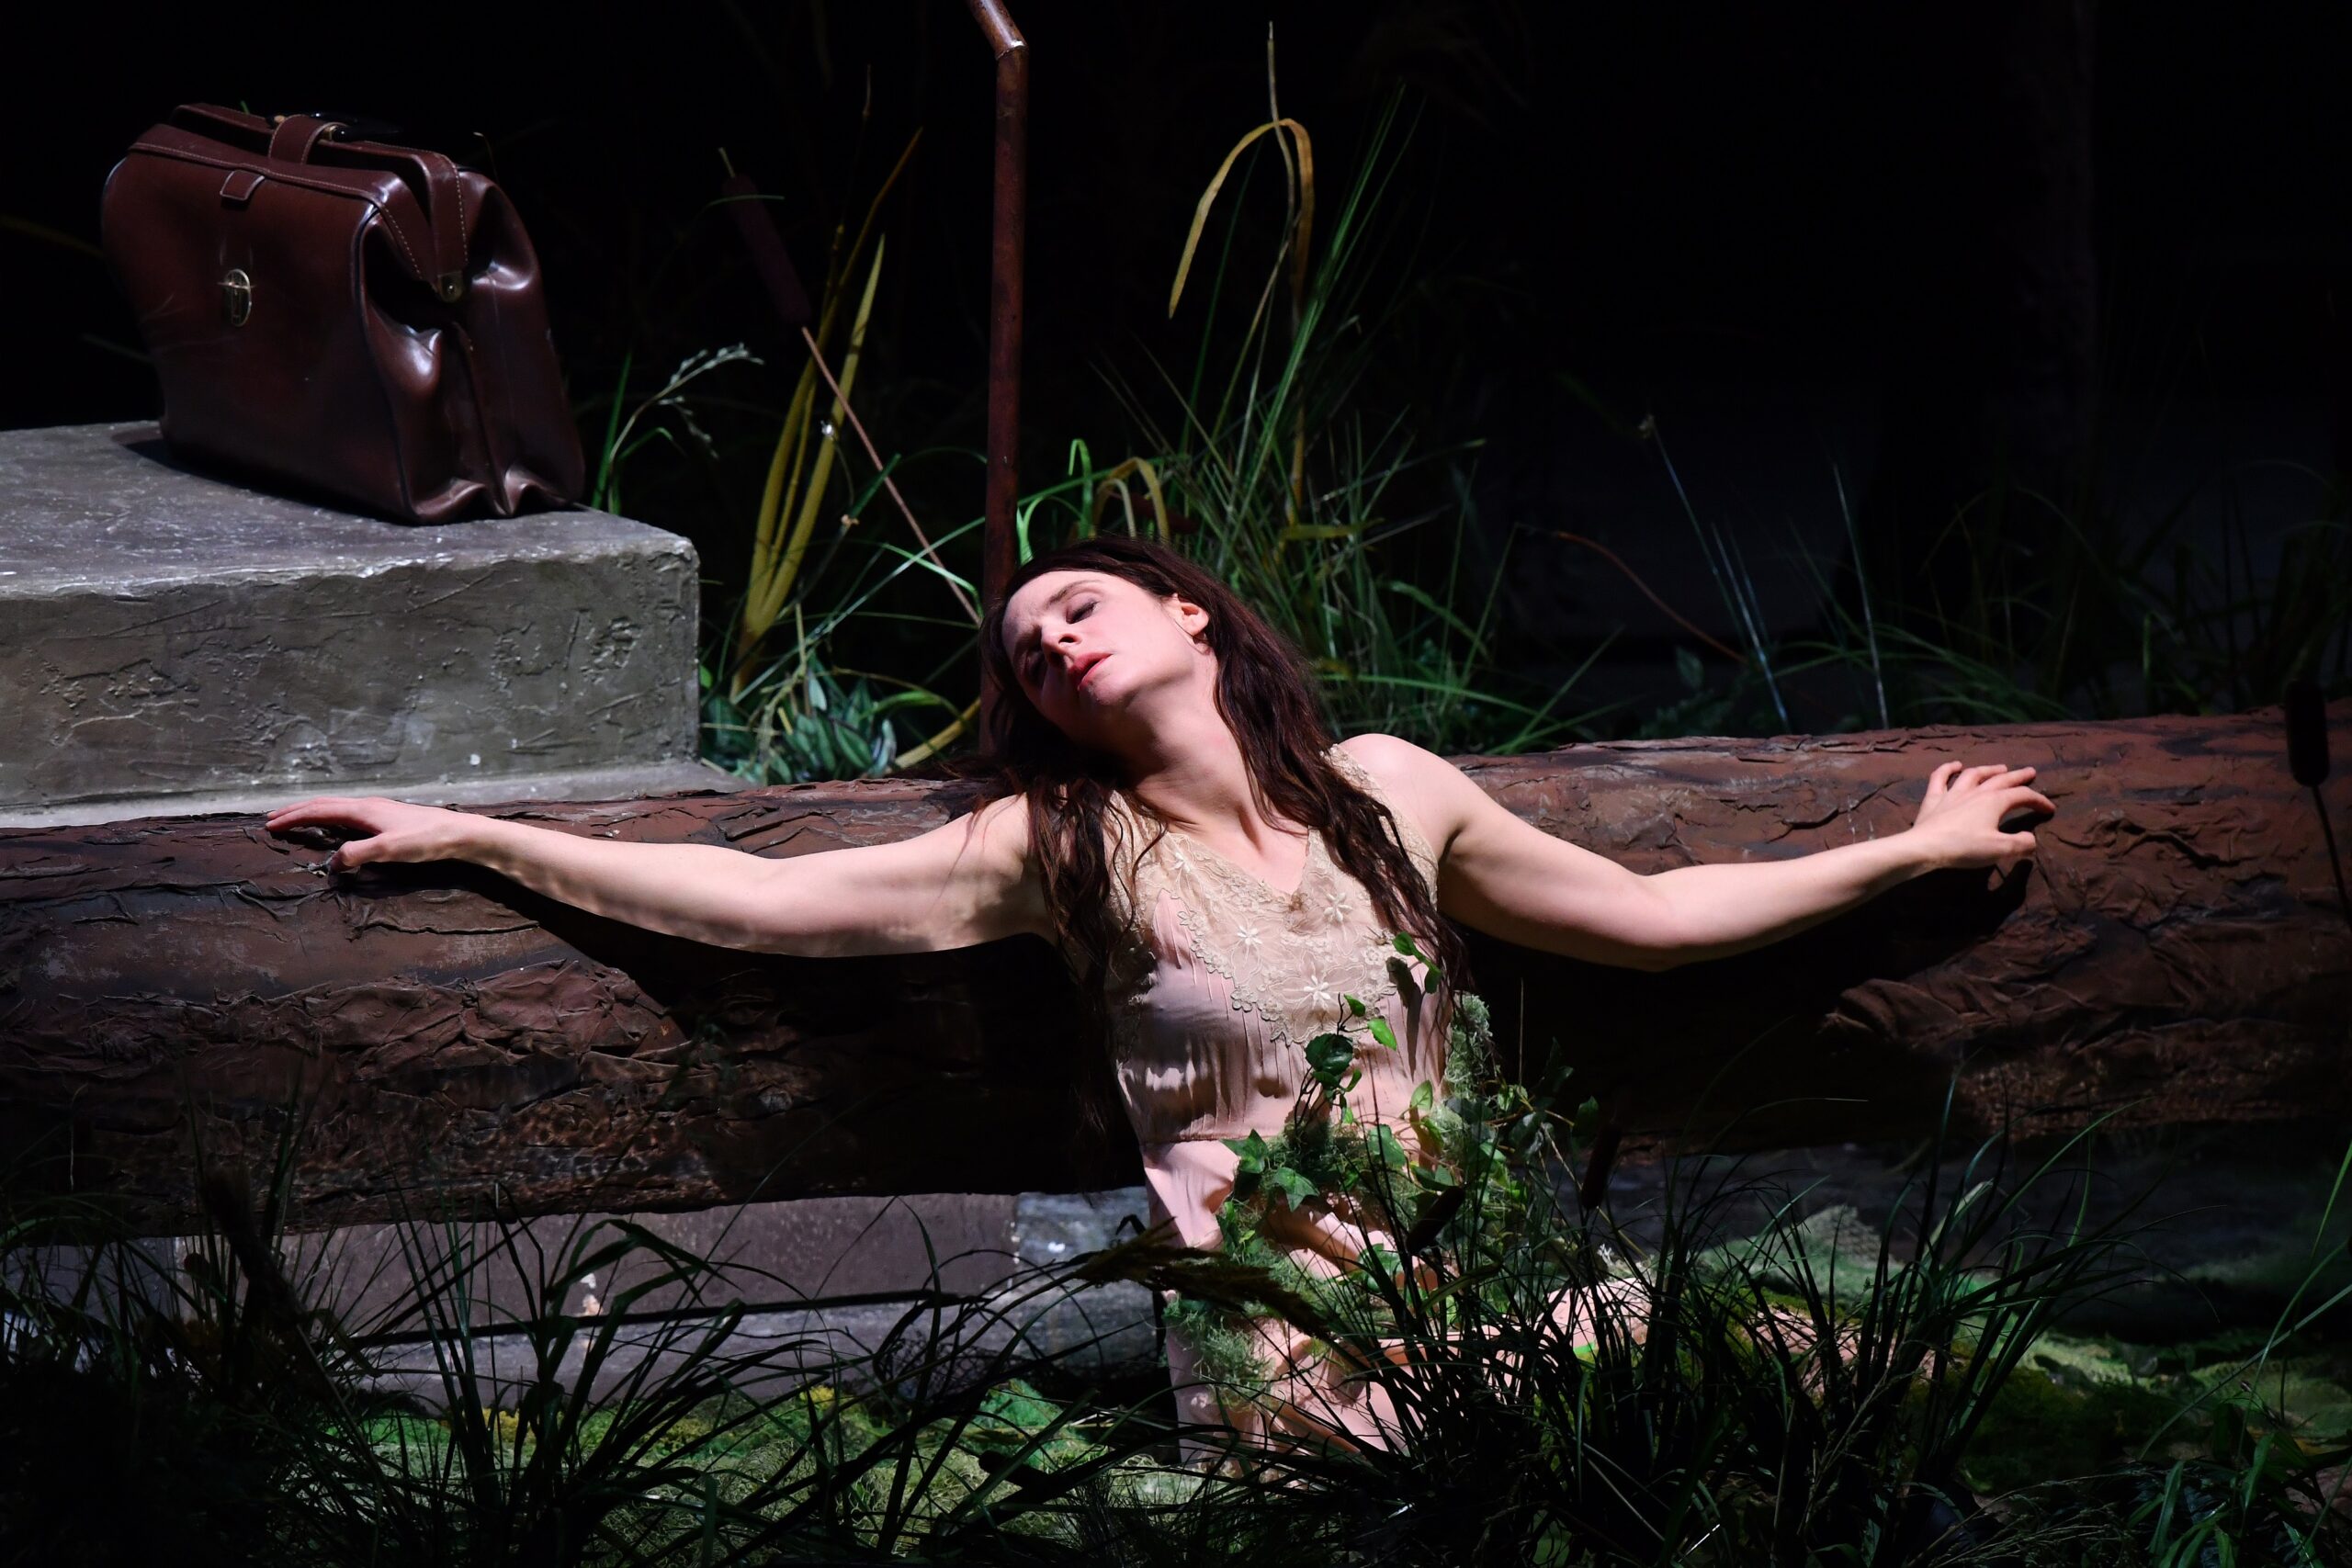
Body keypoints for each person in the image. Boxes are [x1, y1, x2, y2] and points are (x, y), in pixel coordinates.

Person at [266, 534, 2052, 1454]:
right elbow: (765, 901)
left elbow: (1648, 918)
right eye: (1028, 654)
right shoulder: (1061, 846)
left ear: (1189, 616)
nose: (1050, 640)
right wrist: (477, 832)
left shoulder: (1387, 788)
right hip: (1304, 1360)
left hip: (1495, 1296)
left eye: (1075, 604)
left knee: (1845, 1366)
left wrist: (1907, 853)